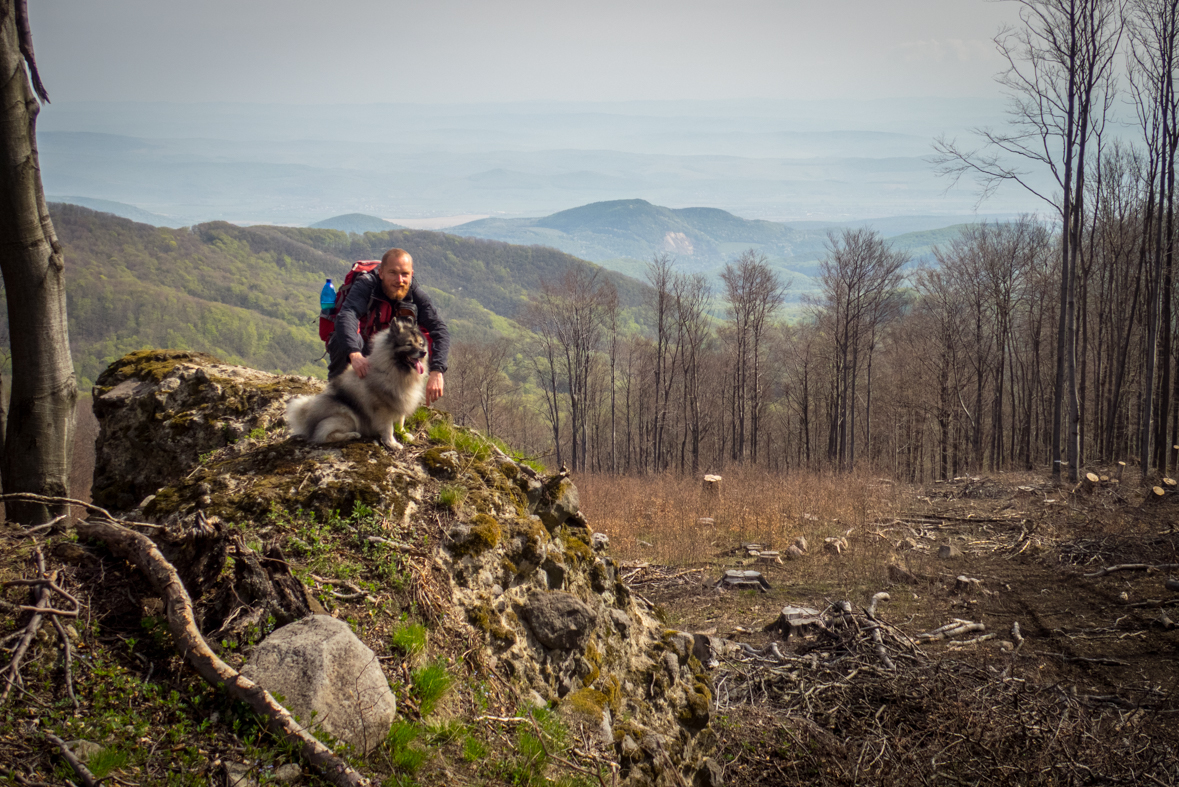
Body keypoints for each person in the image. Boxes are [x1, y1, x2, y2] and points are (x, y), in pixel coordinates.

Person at [327, 248, 449, 404]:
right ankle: (335, 396)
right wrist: (354, 354)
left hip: (390, 355)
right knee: (340, 339)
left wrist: (437, 371)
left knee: (415, 348)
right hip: (362, 348)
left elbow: (439, 330)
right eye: (393, 273)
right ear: (381, 273)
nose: (399, 280)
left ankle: (394, 403)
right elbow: (346, 316)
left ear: (411, 274)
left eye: (405, 274)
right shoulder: (366, 286)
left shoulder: (415, 295)